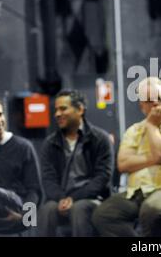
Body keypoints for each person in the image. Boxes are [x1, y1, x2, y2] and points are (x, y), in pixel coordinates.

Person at [92, 77, 161, 237]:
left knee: (152, 209)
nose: (155, 103)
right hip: (136, 192)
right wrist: (160, 158)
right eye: (148, 100)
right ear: (142, 107)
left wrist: (152, 126)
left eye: (159, 98)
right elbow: (123, 164)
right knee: (103, 214)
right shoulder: (134, 130)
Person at [37, 90, 113, 237]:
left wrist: (74, 198)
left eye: (63, 108)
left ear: (80, 109)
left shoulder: (100, 139)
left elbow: (103, 178)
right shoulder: (50, 143)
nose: (57, 114)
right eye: (56, 110)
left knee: (80, 208)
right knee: (46, 210)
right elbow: (48, 179)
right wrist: (62, 199)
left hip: (93, 198)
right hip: (60, 199)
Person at [0, 97, 41, 236]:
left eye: (0, 114)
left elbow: (34, 190)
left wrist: (28, 220)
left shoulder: (23, 147)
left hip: (16, 204)